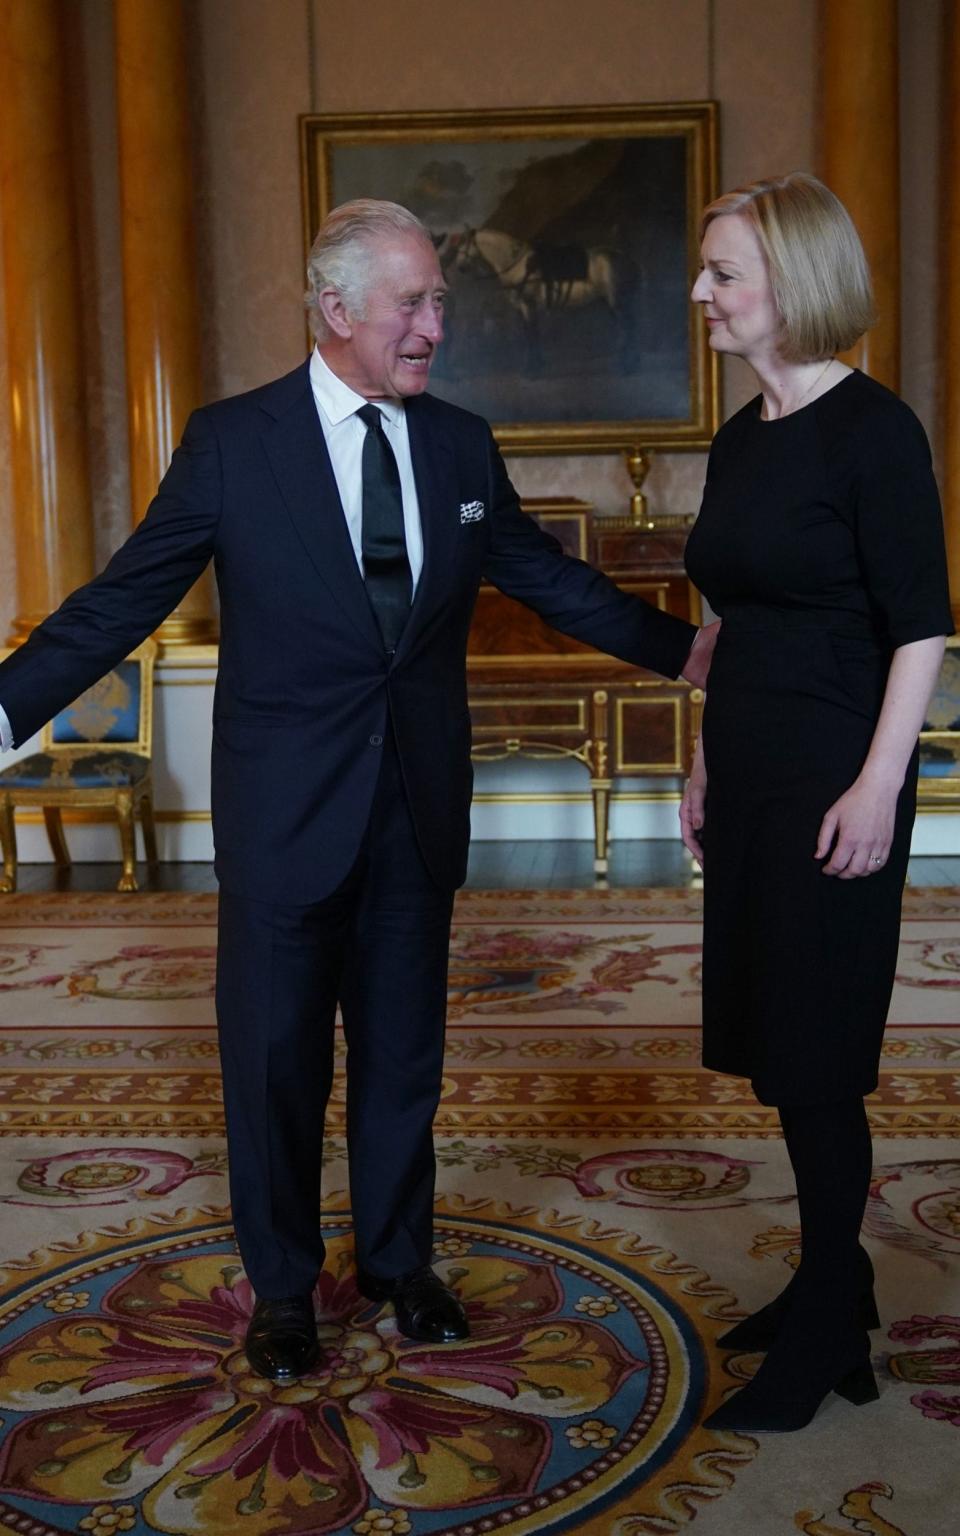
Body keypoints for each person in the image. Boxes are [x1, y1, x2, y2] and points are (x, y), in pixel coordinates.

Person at [0, 199, 718, 1383]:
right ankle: (283, 1291)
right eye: (415, 303)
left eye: (441, 301)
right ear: (336, 311)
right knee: (276, 1063)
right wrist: (8, 706)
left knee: (401, 1056)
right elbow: (122, 599)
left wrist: (685, 649)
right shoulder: (235, 442)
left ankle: (397, 1261)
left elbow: (546, 578)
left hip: (416, 804)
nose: (437, 325)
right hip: (286, 813)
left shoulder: (458, 444)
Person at [681, 172, 953, 1434]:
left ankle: (836, 1316)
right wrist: (695, 760)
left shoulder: (876, 432)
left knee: (820, 1058)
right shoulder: (743, 436)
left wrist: (882, 785)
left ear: (793, 280)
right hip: (747, 777)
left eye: (723, 272)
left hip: (836, 779)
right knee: (777, 1049)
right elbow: (724, 614)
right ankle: (826, 1282)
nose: (703, 295)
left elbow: (922, 628)